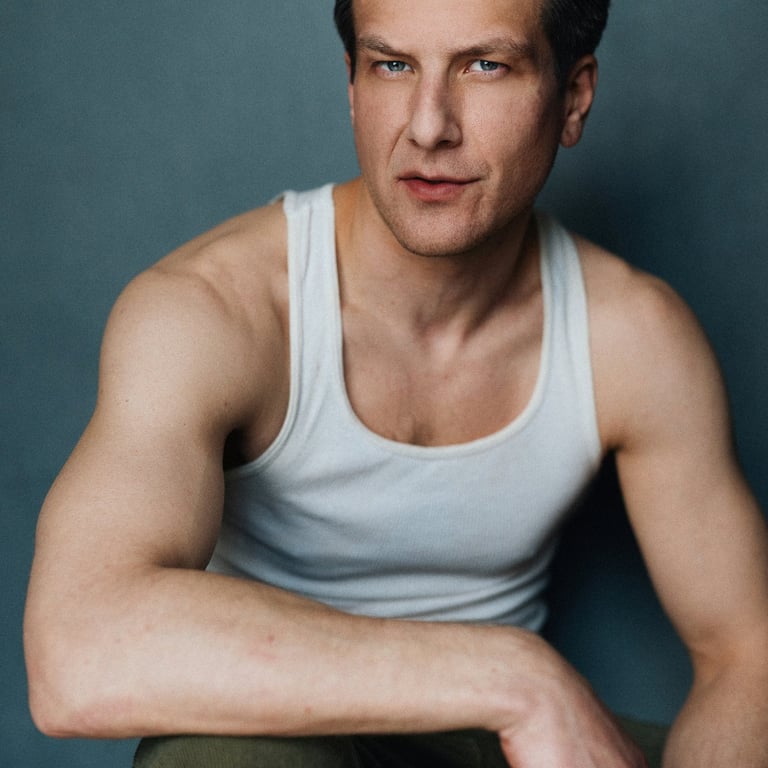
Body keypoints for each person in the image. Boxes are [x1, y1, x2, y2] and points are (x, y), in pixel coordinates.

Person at [24, 0, 768, 766]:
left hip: (506, 745)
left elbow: (746, 654)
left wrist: (523, 699)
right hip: (286, 732)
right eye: (393, 65)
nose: (427, 126)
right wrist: (515, 678)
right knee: (217, 757)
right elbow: (77, 651)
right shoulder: (213, 311)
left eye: (485, 66)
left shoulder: (632, 336)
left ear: (573, 97)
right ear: (352, 85)